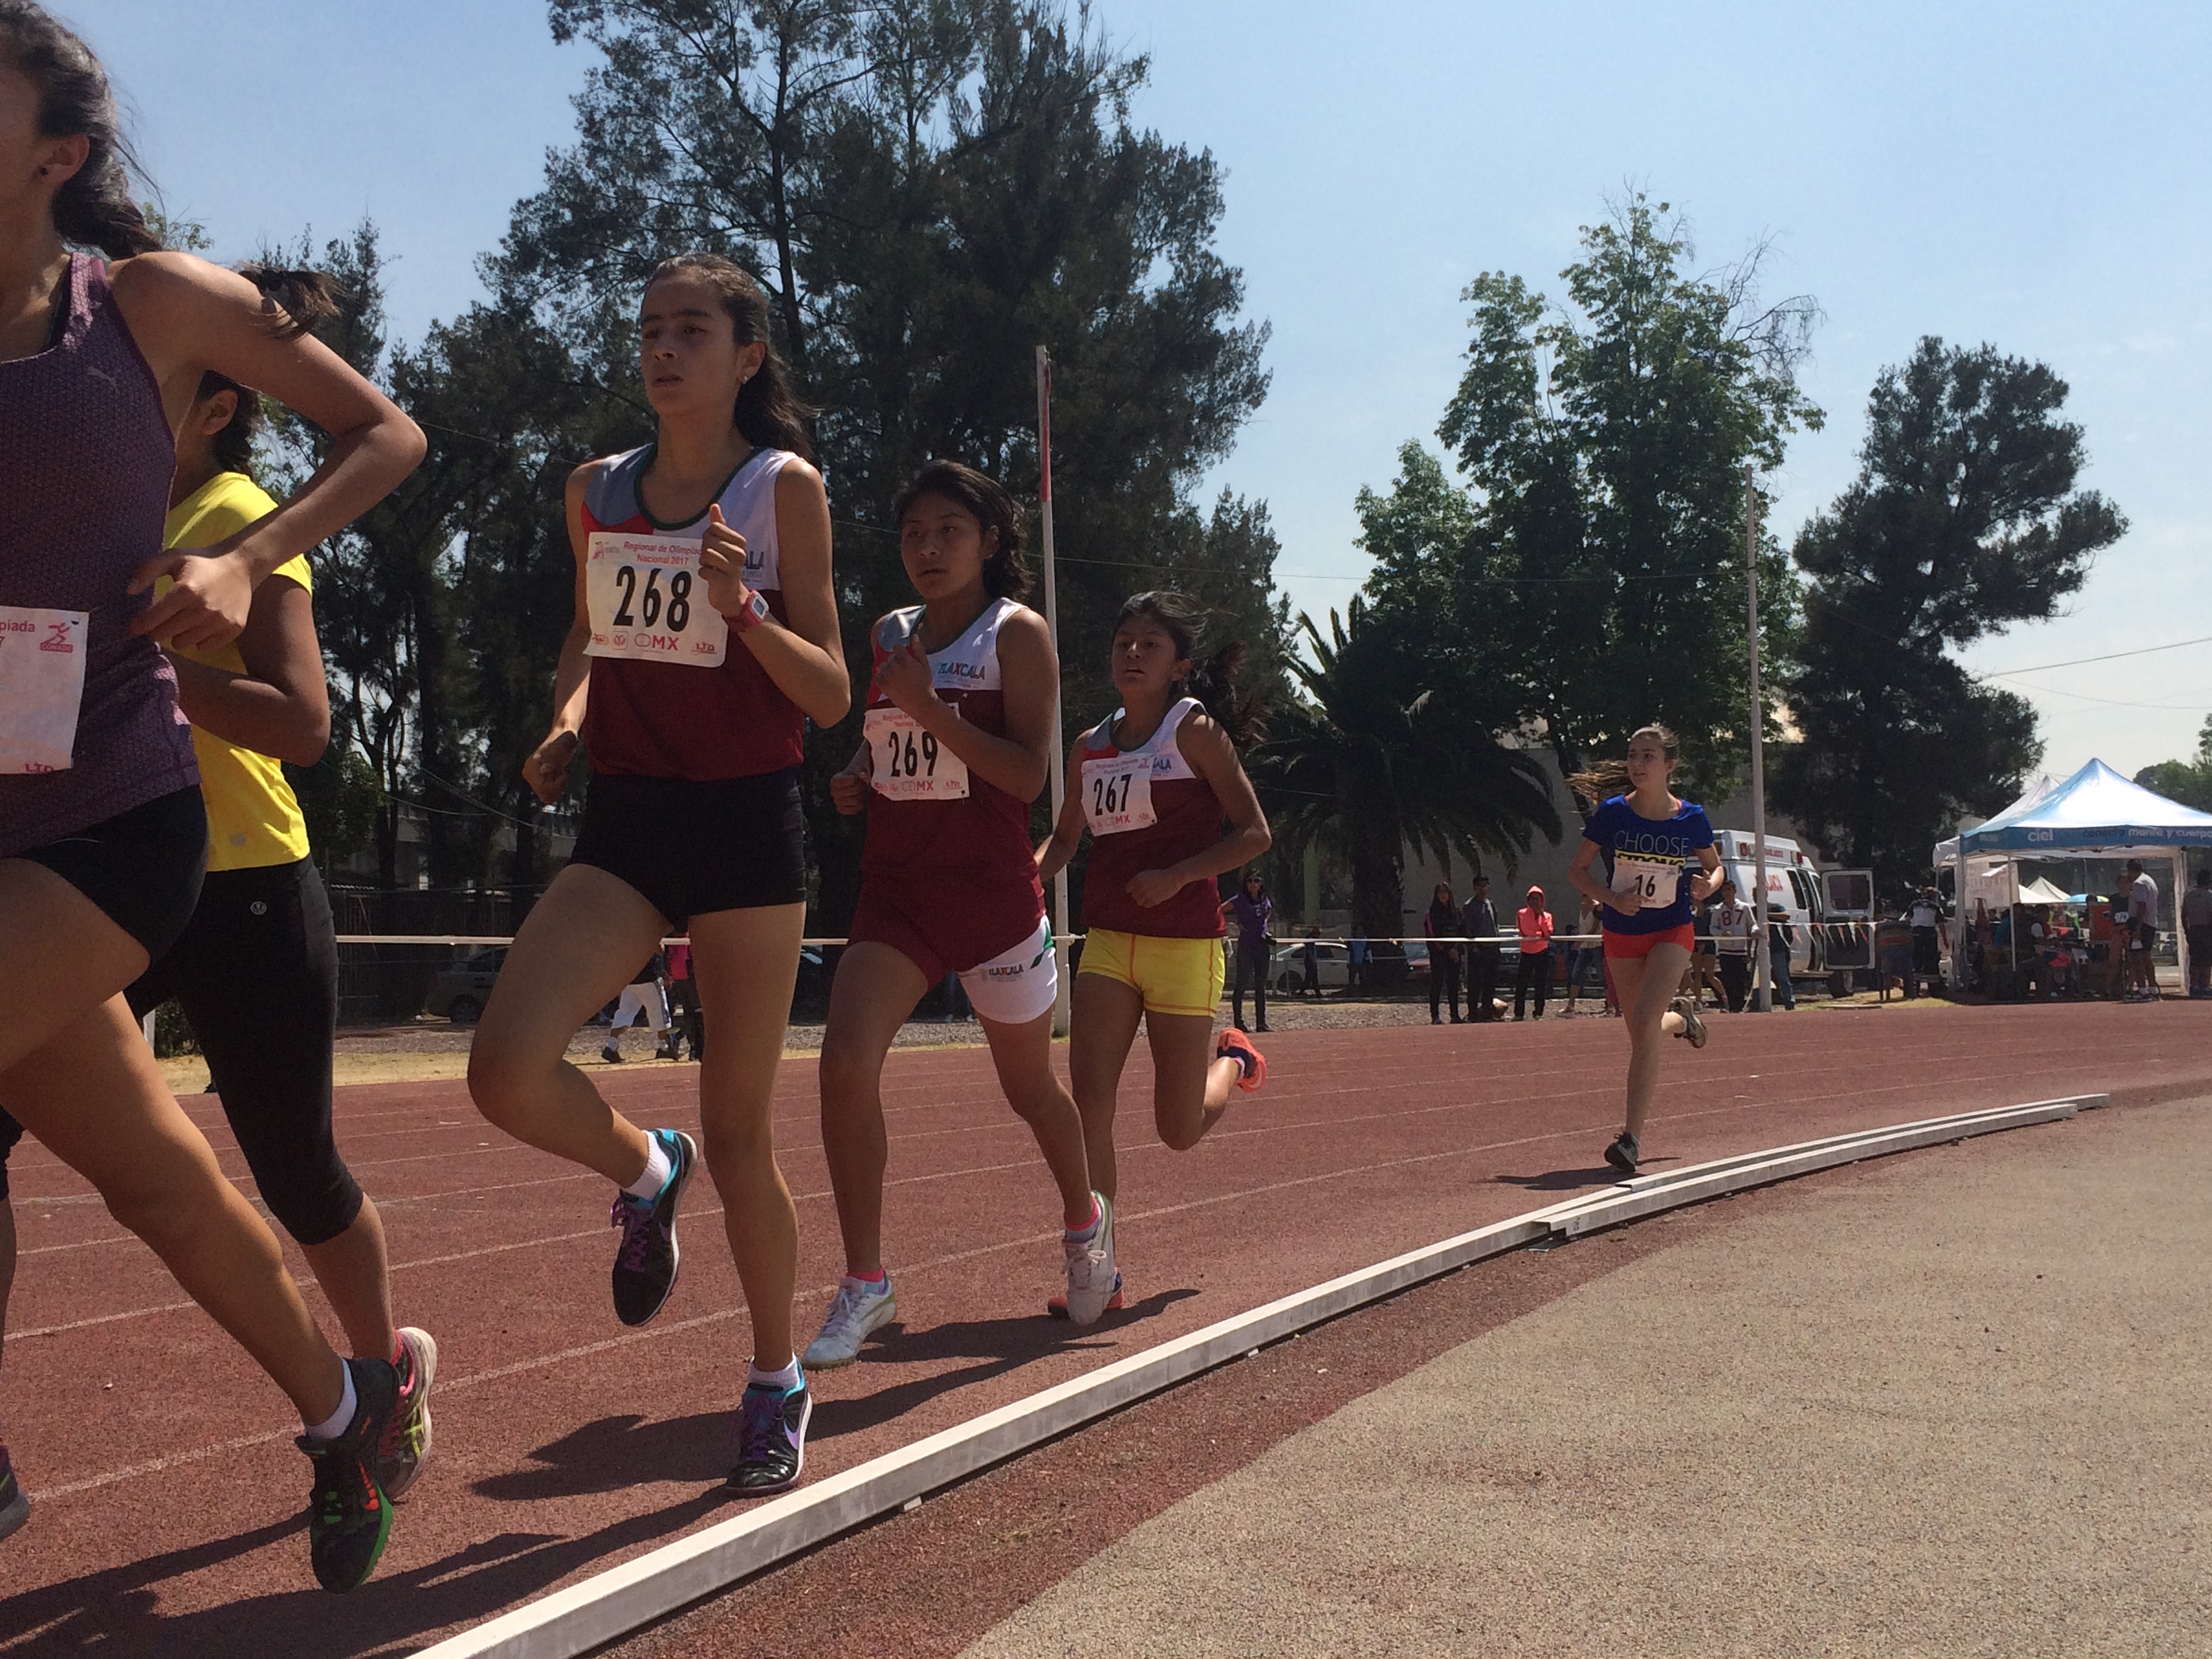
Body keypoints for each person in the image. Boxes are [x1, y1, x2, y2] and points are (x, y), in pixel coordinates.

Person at [0, 3, 428, 1588]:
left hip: (113, 811)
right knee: (157, 1178)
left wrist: (245, 557)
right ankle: (345, 1408)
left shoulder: (149, 307)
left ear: (60, 151)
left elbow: (388, 430)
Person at [468, 252, 848, 1497]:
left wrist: (745, 613)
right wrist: (570, 716)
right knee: (502, 1066)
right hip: (629, 819)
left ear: (747, 356)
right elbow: (585, 641)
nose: (661, 349)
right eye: (646, 330)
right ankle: (644, 1166)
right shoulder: (596, 490)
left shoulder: (781, 487)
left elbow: (832, 693)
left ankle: (773, 1374)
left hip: (747, 826)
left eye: (691, 329)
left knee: (743, 1131)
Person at [804, 460, 1111, 1371]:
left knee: (1030, 1093)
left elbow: (1026, 777)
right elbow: (882, 735)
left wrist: (932, 712)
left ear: (989, 541)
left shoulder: (1019, 635)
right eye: (913, 534)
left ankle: (1085, 1223)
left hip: (993, 899)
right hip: (899, 893)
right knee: (844, 1061)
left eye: (949, 531)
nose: (929, 550)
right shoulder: (888, 633)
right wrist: (859, 777)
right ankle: (868, 1281)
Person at [1035, 589, 1271, 1304]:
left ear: (1179, 667)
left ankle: (1233, 1061)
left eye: (1149, 645)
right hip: (1108, 941)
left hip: (1184, 945)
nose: (1132, 655)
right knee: (1090, 1105)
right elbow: (1067, 841)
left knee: (1177, 1130)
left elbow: (1255, 833)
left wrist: (1176, 876)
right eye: (1122, 644)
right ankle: (1096, 1268)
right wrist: (1014, 876)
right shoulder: (1088, 745)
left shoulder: (1193, 732)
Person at [1565, 724, 1723, 1174]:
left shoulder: (1690, 817)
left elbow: (1715, 869)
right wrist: (1611, 898)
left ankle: (1630, 1138)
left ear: (1669, 765)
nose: (1638, 763)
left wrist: (1706, 887)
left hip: (1672, 928)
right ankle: (1684, 1019)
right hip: (1622, 930)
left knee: (1640, 1021)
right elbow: (1578, 871)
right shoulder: (1612, 813)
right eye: (1633, 754)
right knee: (1642, 1033)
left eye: (1649, 756)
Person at [601, 948, 672, 1063]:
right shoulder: (651, 934)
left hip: (631, 980)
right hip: (650, 979)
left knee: (624, 1013)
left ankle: (611, 1045)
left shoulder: (631, 937)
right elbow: (660, 950)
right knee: (659, 1012)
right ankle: (663, 1047)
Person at [1226, 872, 1271, 1032]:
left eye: (1257, 880)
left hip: (1262, 944)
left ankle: (1261, 1023)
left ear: (1261, 883)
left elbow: (1267, 912)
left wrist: (1265, 926)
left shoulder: (1265, 899)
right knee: (1242, 983)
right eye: (1250, 880)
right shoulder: (1239, 899)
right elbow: (1218, 911)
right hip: (1246, 945)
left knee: (1261, 984)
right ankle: (1239, 1022)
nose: (1253, 883)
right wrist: (1236, 921)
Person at [1424, 881, 1465, 1024]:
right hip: (1439, 955)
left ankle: (1455, 1015)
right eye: (1440, 892)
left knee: (1454, 985)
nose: (1443, 895)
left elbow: (1462, 932)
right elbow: (1431, 935)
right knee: (1437, 984)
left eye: (1445, 892)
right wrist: (1445, 950)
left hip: (1454, 954)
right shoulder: (1431, 914)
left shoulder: (1457, 912)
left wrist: (1455, 949)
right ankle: (1435, 1016)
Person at [1709, 880, 1753, 1011]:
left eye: (1729, 890)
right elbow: (1712, 928)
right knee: (1728, 979)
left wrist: (1755, 931)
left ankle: (1739, 1006)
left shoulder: (1744, 907)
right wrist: (1722, 933)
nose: (1727, 893)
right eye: (1725, 890)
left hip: (1740, 950)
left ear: (1734, 891)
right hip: (1725, 950)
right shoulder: (1718, 909)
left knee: (1739, 979)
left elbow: (1752, 924)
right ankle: (1731, 1006)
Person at [1513, 885, 1554, 1019]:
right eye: (1533, 899)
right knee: (1521, 984)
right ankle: (1519, 1013)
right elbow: (1525, 931)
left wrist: (1541, 917)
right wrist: (1538, 934)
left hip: (1542, 952)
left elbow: (1548, 933)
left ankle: (1538, 1013)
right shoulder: (1521, 913)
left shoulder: (1547, 915)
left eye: (1538, 899)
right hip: (1526, 952)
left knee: (1541, 983)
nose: (1535, 902)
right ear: (1528, 900)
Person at [1465, 875, 1500, 1020]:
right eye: (1480, 886)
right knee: (1475, 983)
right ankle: (1473, 1013)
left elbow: (1495, 925)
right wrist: (1473, 948)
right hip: (1478, 950)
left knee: (1489, 983)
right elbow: (1467, 929)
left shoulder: (1491, 904)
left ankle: (1487, 1011)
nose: (1483, 889)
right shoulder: (1469, 906)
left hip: (1493, 949)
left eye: (1485, 885)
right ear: (1475, 888)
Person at [2125, 859, 2160, 1000]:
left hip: (2142, 924)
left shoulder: (2139, 883)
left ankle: (2143, 990)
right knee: (2146, 956)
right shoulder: (2150, 880)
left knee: (2137, 958)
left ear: (2131, 870)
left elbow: (2141, 907)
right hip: (2150, 923)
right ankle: (2153, 988)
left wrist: (2137, 928)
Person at [665, 938, 705, 1059]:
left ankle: (693, 1047)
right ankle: (680, 1039)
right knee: (698, 1013)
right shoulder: (691, 936)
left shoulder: (675, 936)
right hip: (690, 976)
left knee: (689, 1014)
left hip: (678, 976)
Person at [1563, 896, 1599, 1014]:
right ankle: (1571, 1005)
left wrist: (1579, 941)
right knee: (1576, 973)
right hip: (1584, 947)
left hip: (1597, 945)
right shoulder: (1582, 907)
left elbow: (1594, 928)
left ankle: (1611, 1005)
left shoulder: (1597, 907)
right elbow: (1582, 928)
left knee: (1603, 974)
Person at [2183, 868, 2212, 1000]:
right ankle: (2205, 987)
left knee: (2194, 960)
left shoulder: (2189, 895)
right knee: (2206, 960)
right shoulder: (2209, 895)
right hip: (2206, 929)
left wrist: (2187, 931)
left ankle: (2194, 986)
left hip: (2193, 929)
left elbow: (2184, 915)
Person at [1908, 888, 1942, 994]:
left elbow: (1907, 919)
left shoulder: (1914, 905)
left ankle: (1915, 988)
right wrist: (1944, 940)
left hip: (1916, 933)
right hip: (1930, 935)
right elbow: (1941, 924)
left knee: (1916, 960)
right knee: (1931, 960)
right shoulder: (1935, 907)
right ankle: (1933, 989)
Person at [1766, 903, 1797, 1010]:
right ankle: (1757, 1003)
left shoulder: (1775, 907)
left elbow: (1786, 916)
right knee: (1757, 978)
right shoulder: (1753, 910)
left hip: (1778, 948)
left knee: (1782, 976)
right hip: (1761, 949)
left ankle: (1789, 1001)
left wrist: (1767, 914)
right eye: (1754, 895)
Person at [1347, 923, 1369, 991]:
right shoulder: (1351, 940)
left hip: (1362, 962)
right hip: (1353, 963)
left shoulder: (1365, 939)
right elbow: (1349, 951)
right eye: (1359, 930)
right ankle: (1350, 994)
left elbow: (1368, 950)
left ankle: (1365, 994)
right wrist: (1348, 962)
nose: (1361, 931)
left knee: (1364, 979)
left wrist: (1370, 961)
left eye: (1362, 930)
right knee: (1352, 980)